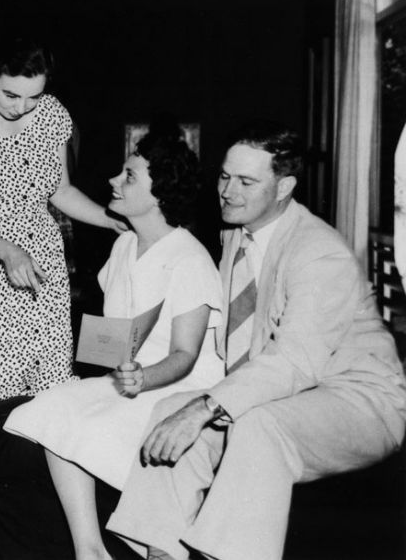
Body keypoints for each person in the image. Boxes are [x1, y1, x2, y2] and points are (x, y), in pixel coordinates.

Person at [105, 124, 406, 560]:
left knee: (256, 425)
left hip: (358, 398)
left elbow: (295, 361)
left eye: (247, 182)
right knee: (169, 411)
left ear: (284, 187)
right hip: (284, 390)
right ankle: (160, 552)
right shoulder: (236, 233)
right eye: (225, 177)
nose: (228, 191)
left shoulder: (319, 252)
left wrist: (206, 405)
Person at [2, 127, 223, 560]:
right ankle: (89, 549)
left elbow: (185, 356)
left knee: (85, 424)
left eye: (129, 176)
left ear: (159, 195)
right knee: (51, 406)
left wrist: (140, 378)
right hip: (126, 380)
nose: (113, 182)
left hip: (175, 391)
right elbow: (114, 339)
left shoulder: (189, 258)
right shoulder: (123, 246)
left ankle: (155, 539)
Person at [0, 38, 124, 476]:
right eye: (11, 94)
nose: (21, 107)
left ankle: (36, 483)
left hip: (41, 259)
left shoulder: (49, 113)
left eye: (33, 97)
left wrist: (110, 220)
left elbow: (61, 192)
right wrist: (9, 251)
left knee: (47, 371)